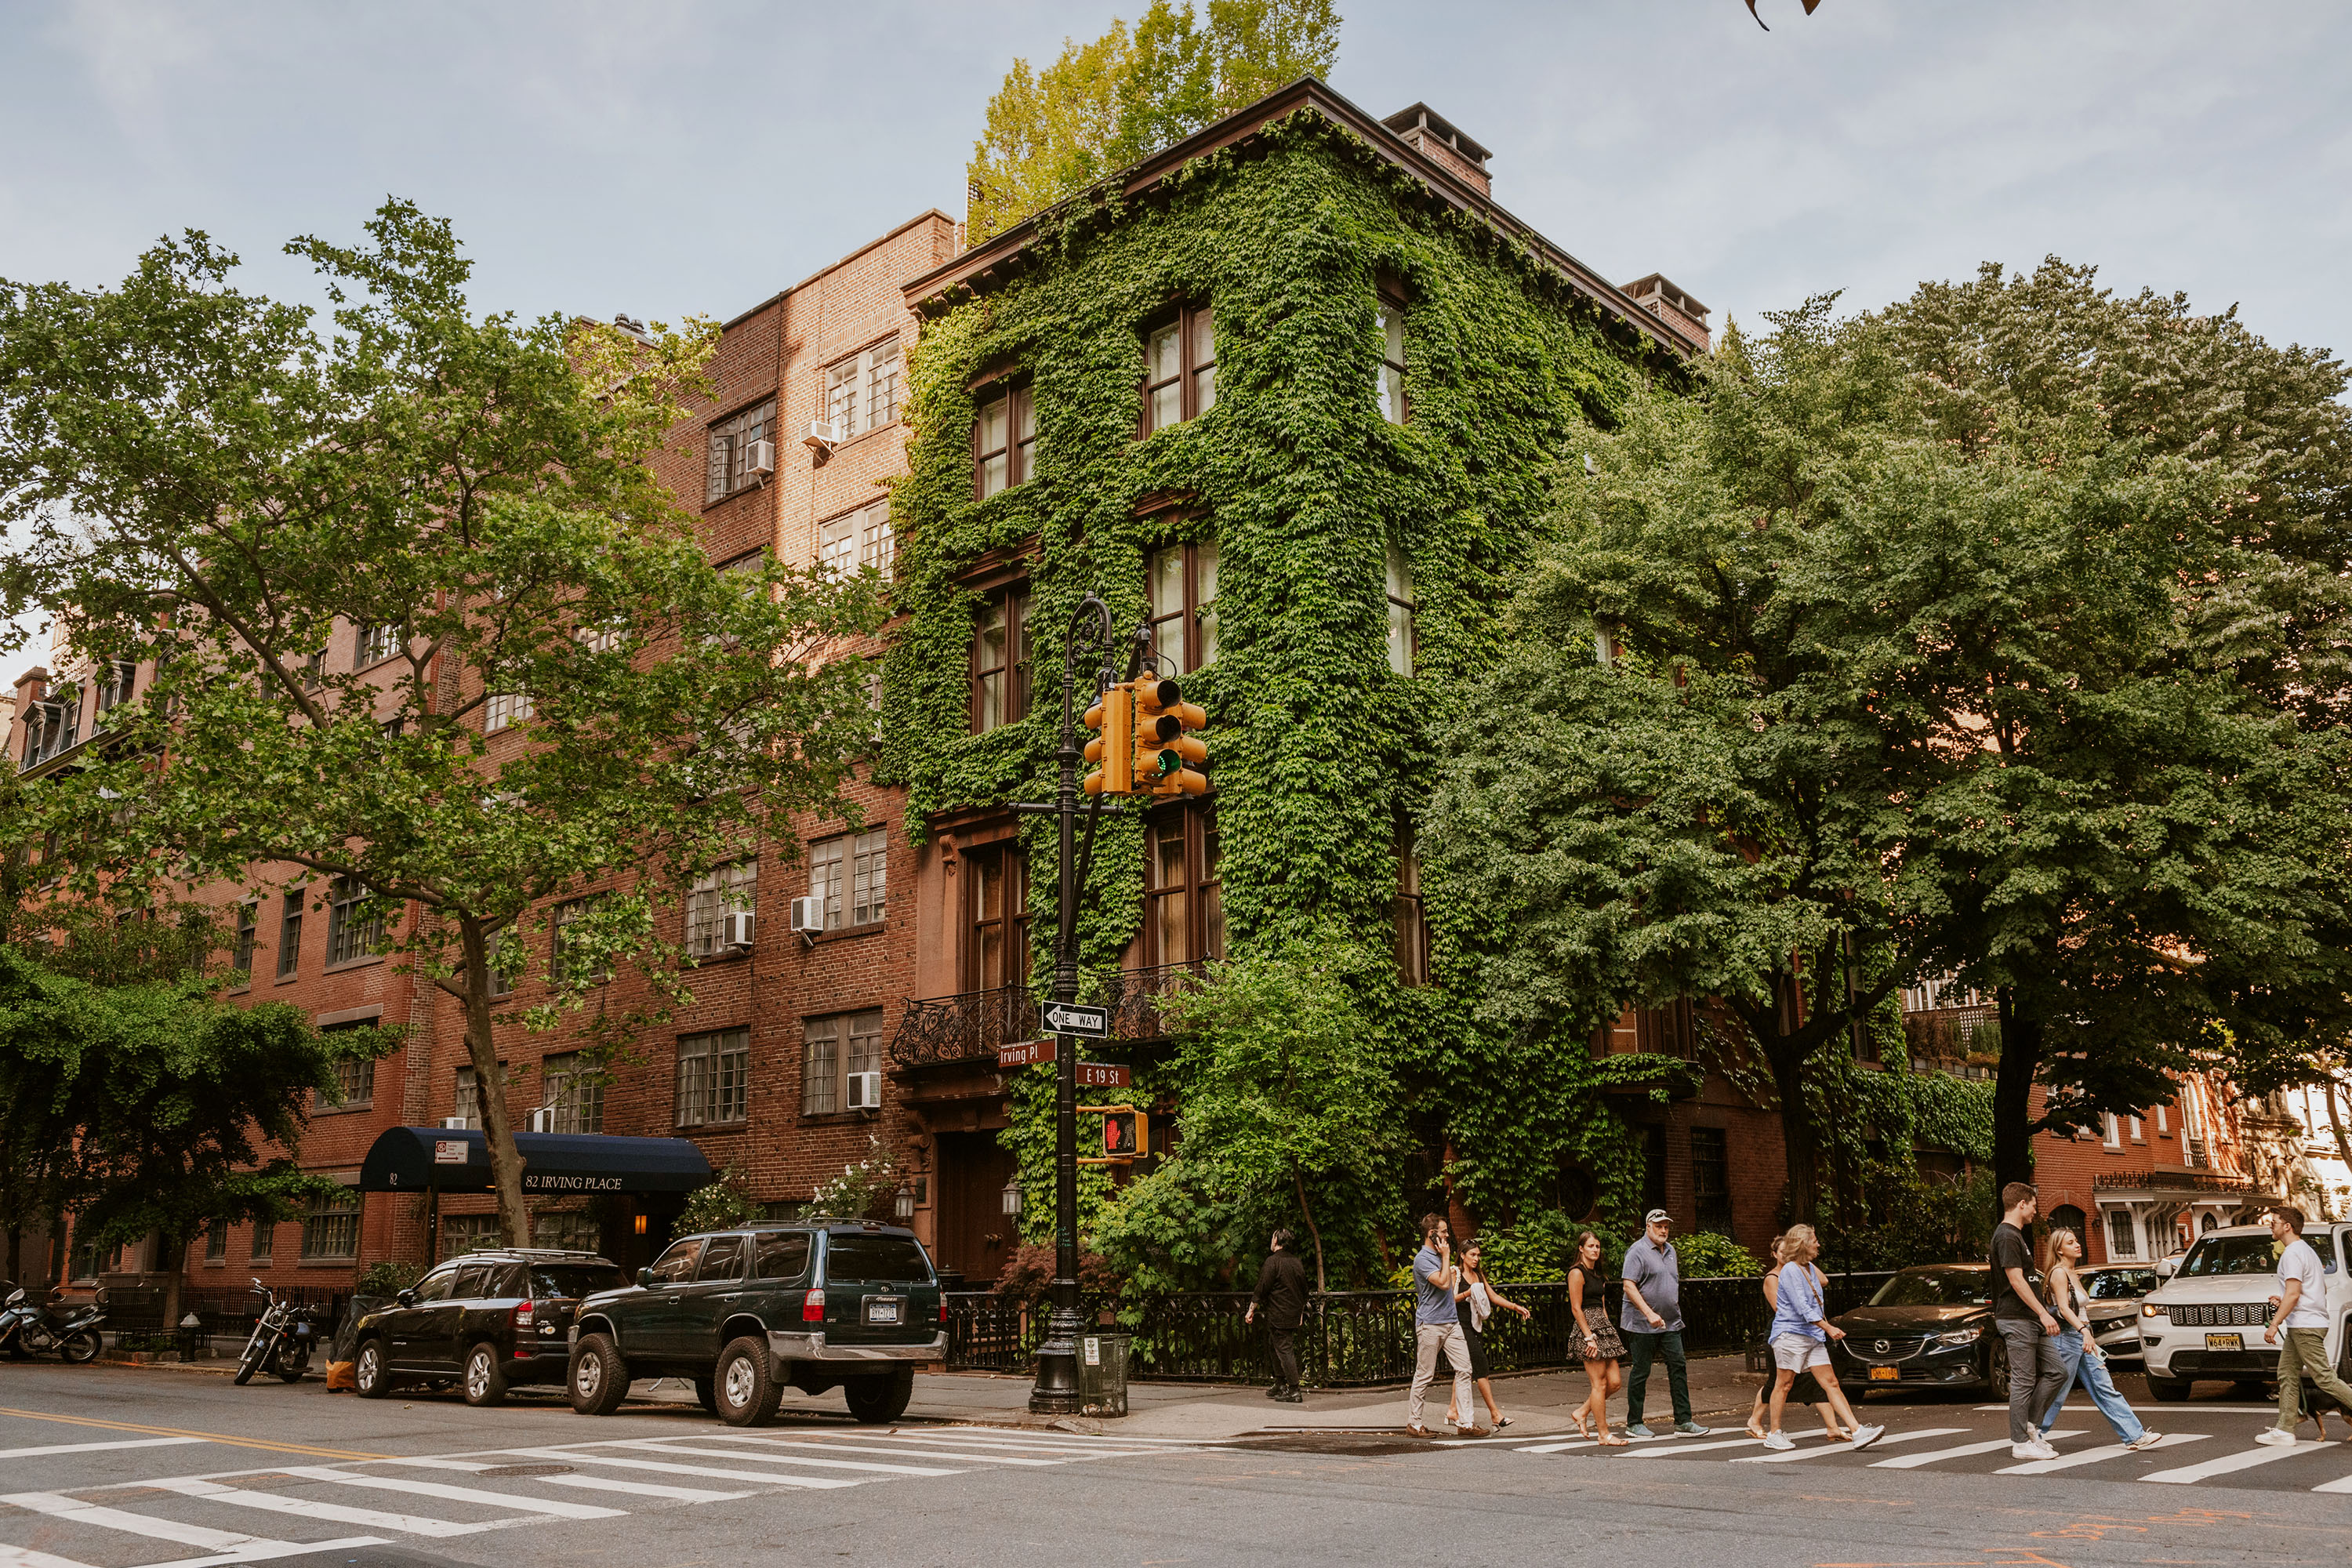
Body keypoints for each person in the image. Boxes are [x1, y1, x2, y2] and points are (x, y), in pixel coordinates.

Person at [2036, 1225, 2162, 1451]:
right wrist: (2083, 1331)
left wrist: (2089, 1336)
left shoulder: (2073, 1272)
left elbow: (2079, 1310)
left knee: (2104, 1386)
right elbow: (2064, 1309)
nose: (2077, 1245)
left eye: (2076, 1240)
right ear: (2059, 1250)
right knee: (2059, 1389)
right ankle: (2034, 1433)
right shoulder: (2058, 1273)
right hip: (2068, 1337)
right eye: (2070, 1243)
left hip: (2083, 1338)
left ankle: (2135, 1435)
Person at [1762, 1223, 1882, 1452]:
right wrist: (1829, 1328)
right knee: (1784, 1384)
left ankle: (1857, 1431)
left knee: (1831, 1383)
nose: (1818, 1243)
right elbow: (1802, 1308)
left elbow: (1820, 1290)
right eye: (1814, 1240)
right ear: (1803, 1244)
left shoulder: (1807, 1268)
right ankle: (1774, 1433)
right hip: (1791, 1335)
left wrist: (1822, 1329)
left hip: (1811, 1335)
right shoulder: (1789, 1271)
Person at [2256, 1205, 2352, 1446]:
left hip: (2305, 1326)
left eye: (2274, 1221)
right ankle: (2285, 1430)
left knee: (2324, 1378)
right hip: (2305, 1323)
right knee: (2287, 1374)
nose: (2271, 1225)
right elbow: (2317, 1289)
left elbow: (2294, 1294)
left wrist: (2274, 1322)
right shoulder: (2307, 1252)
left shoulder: (2292, 1254)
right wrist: (2285, 1300)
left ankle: (2285, 1428)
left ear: (2287, 1226)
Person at [1746, 1235, 1851, 1443]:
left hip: (1807, 1331)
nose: (1786, 1255)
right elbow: (1780, 1308)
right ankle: (1755, 1420)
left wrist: (1805, 1260)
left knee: (1820, 1382)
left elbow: (1823, 1280)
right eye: (1782, 1252)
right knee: (1778, 1382)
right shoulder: (1773, 1278)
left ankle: (1833, 1427)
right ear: (1774, 1254)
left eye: (1790, 1250)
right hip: (1784, 1332)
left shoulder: (1800, 1271)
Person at [1991, 1180, 2067, 1461]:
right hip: (2017, 1318)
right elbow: (2015, 1279)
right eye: (2034, 1206)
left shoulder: (2016, 1235)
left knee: (2058, 1371)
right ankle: (2020, 1442)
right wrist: (2043, 1312)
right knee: (2023, 1381)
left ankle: (2030, 1427)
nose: (2036, 1211)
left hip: (2028, 1319)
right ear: (2021, 1204)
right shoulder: (2008, 1236)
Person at [1621, 1208, 1711, 1438]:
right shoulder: (1637, 1251)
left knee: (1678, 1368)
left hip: (1670, 1323)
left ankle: (1683, 1421)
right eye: (1659, 1226)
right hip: (1642, 1323)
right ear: (1648, 1226)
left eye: (1666, 1226)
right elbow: (1628, 1286)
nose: (1663, 1230)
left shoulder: (1671, 1250)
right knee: (1641, 1371)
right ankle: (1634, 1423)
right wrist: (1649, 1313)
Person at [1443, 1240, 1533, 1430]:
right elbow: (1449, 1299)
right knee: (1480, 1365)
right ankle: (1494, 1413)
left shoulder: (1478, 1275)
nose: (1476, 1258)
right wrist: (1468, 1293)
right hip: (1459, 1326)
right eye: (1472, 1255)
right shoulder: (1455, 1273)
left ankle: (1452, 1410)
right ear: (1463, 1255)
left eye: (1478, 1255)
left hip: (1474, 1327)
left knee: (1463, 1369)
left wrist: (1515, 1307)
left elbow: (1492, 1296)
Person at [1406, 1214, 1481, 1438]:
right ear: (1432, 1234)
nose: (1448, 1235)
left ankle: (1466, 1423)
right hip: (1430, 1323)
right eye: (1444, 1231)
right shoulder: (1423, 1259)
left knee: (1465, 1369)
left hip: (1451, 1322)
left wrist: (1446, 1259)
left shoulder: (1440, 1257)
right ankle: (1415, 1423)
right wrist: (1447, 1256)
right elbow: (1443, 1283)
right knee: (1425, 1374)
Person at [1566, 1229, 1628, 1445]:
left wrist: (1608, 1330)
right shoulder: (1577, 1273)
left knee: (1615, 1382)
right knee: (1599, 1384)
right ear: (1581, 1248)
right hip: (1587, 1329)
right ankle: (1603, 1434)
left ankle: (1582, 1412)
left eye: (1597, 1246)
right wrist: (1588, 1337)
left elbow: (1601, 1306)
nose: (1595, 1249)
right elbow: (1576, 1308)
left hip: (1603, 1328)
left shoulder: (1599, 1276)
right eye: (1591, 1246)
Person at [1246, 1227, 1309, 1405]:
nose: (1271, 1240)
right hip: (1292, 1313)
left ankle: (1294, 1389)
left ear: (1277, 1241)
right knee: (1275, 1346)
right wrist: (1300, 1312)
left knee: (1284, 1349)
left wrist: (1251, 1310)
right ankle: (1281, 1383)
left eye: (1273, 1237)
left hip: (1279, 1313)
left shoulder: (1272, 1262)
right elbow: (1305, 1290)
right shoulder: (1296, 1262)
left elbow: (1262, 1287)